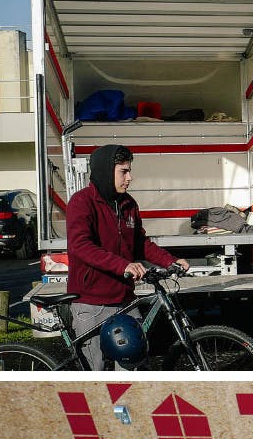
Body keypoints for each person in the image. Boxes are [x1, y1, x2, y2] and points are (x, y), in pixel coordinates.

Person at [67, 144, 190, 370]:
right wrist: (123, 265)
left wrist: (169, 261)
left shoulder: (128, 204)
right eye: (124, 171)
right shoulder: (81, 202)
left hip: (124, 299)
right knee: (96, 373)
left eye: (129, 171)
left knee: (134, 367)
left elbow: (140, 243)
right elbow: (80, 246)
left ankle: (126, 406)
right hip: (91, 302)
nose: (130, 177)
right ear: (106, 171)